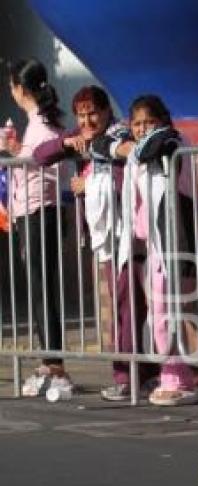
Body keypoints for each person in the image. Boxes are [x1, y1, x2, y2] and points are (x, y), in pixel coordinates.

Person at [32, 85, 159, 402]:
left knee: (129, 304)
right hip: (104, 235)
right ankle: (138, 373)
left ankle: (129, 375)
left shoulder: (119, 135)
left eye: (93, 113)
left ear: (106, 112)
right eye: (81, 115)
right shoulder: (80, 137)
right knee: (121, 304)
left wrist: (87, 184)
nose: (87, 121)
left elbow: (123, 176)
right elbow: (39, 156)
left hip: (129, 231)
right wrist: (65, 142)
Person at [114, 95, 198, 406]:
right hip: (150, 245)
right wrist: (118, 146)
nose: (142, 129)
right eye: (137, 123)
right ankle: (173, 371)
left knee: (165, 313)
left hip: (171, 243)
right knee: (159, 313)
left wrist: (128, 147)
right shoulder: (141, 151)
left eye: (148, 122)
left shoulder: (171, 142)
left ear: (163, 121)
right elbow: (104, 145)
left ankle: (178, 378)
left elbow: (153, 147)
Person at [7, 58, 69, 397]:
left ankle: (55, 361)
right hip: (35, 210)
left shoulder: (41, 125)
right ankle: (50, 356)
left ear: (19, 87)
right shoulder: (40, 122)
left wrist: (18, 152)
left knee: (42, 286)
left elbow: (42, 160)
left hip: (39, 210)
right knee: (39, 286)